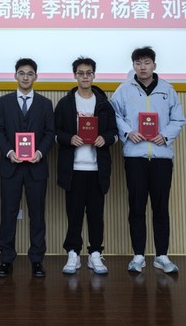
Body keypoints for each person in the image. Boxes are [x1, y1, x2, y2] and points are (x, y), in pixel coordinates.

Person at [110, 46, 186, 275]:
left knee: (161, 207)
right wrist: (128, 132)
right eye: (138, 63)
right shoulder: (124, 90)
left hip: (161, 158)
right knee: (137, 207)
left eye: (146, 62)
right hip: (135, 157)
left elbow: (178, 119)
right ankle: (138, 256)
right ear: (133, 65)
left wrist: (166, 136)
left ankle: (161, 255)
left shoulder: (167, 90)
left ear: (154, 65)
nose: (142, 67)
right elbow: (114, 115)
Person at [54, 57, 117, 275]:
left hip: (97, 170)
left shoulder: (104, 104)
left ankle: (95, 254)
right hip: (74, 170)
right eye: (80, 73)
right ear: (75, 76)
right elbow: (55, 132)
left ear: (94, 75)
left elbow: (114, 133)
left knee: (96, 215)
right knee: (74, 214)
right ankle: (73, 253)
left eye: (88, 73)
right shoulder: (65, 103)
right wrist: (69, 138)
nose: (85, 77)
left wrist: (104, 139)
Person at [0, 58, 55, 278]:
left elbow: (50, 132)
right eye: (21, 73)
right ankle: (6, 259)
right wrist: (9, 152)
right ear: (15, 76)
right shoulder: (4, 102)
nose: (25, 77)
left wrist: (40, 152)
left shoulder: (45, 103)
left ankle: (37, 260)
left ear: (36, 76)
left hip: (36, 168)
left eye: (30, 73)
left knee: (37, 215)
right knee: (8, 213)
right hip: (11, 166)